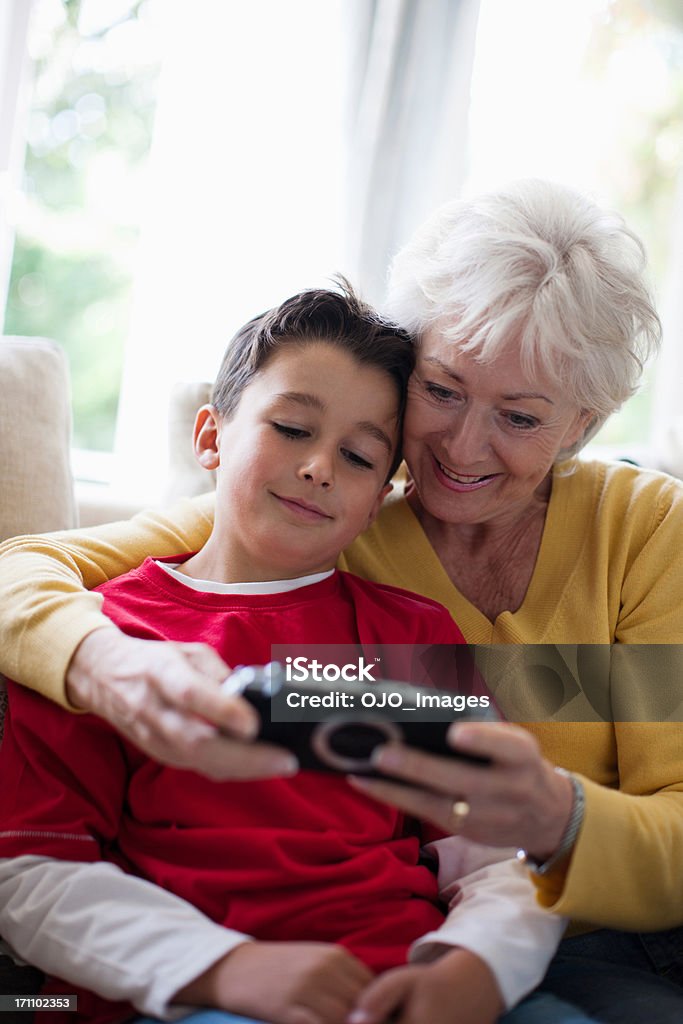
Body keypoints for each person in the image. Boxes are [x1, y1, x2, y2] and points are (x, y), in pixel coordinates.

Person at [1, 179, 682, 1021]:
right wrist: (101, 661)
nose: (461, 448)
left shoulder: (639, 533)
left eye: (519, 417)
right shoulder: (327, 526)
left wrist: (551, 822)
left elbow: (558, 831)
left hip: (594, 934)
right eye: (441, 391)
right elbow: (27, 571)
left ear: (581, 425)